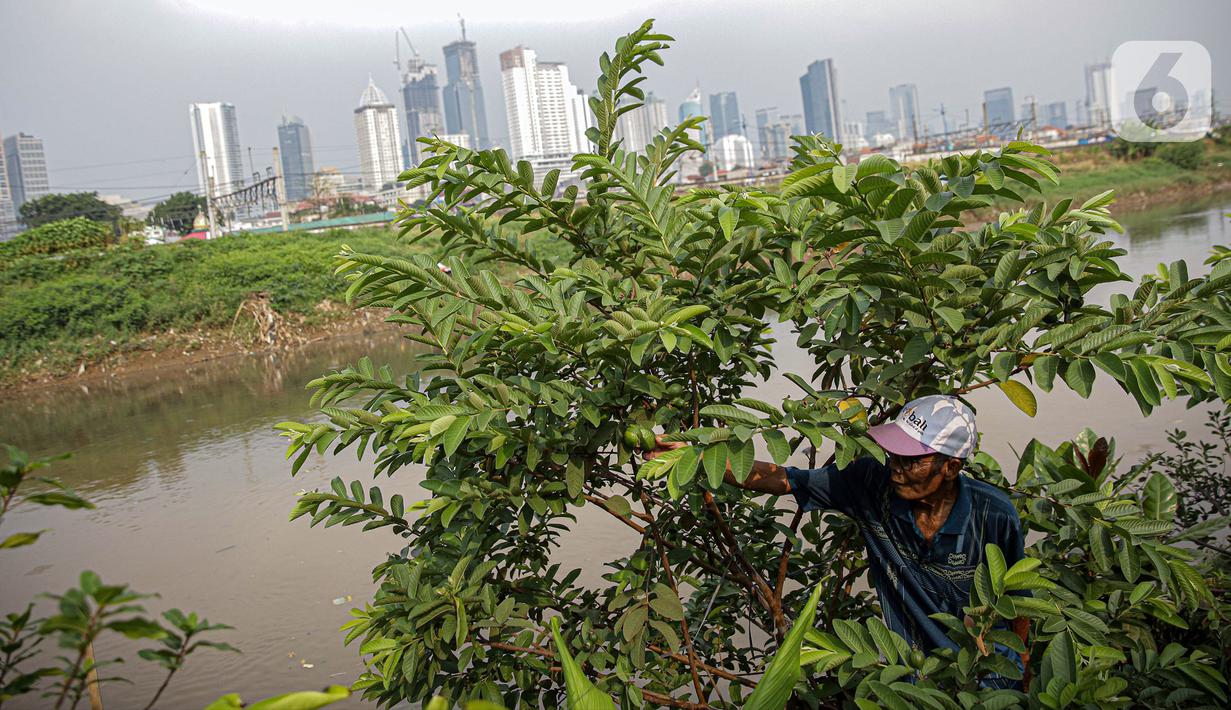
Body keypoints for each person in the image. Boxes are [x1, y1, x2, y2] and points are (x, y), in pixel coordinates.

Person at [647, 394, 1029, 687]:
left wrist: (1022, 665)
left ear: (951, 467)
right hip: (913, 675)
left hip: (987, 672)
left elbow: (1020, 601)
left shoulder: (993, 514)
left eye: (911, 460)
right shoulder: (869, 482)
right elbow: (782, 478)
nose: (895, 469)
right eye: (893, 454)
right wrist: (695, 457)